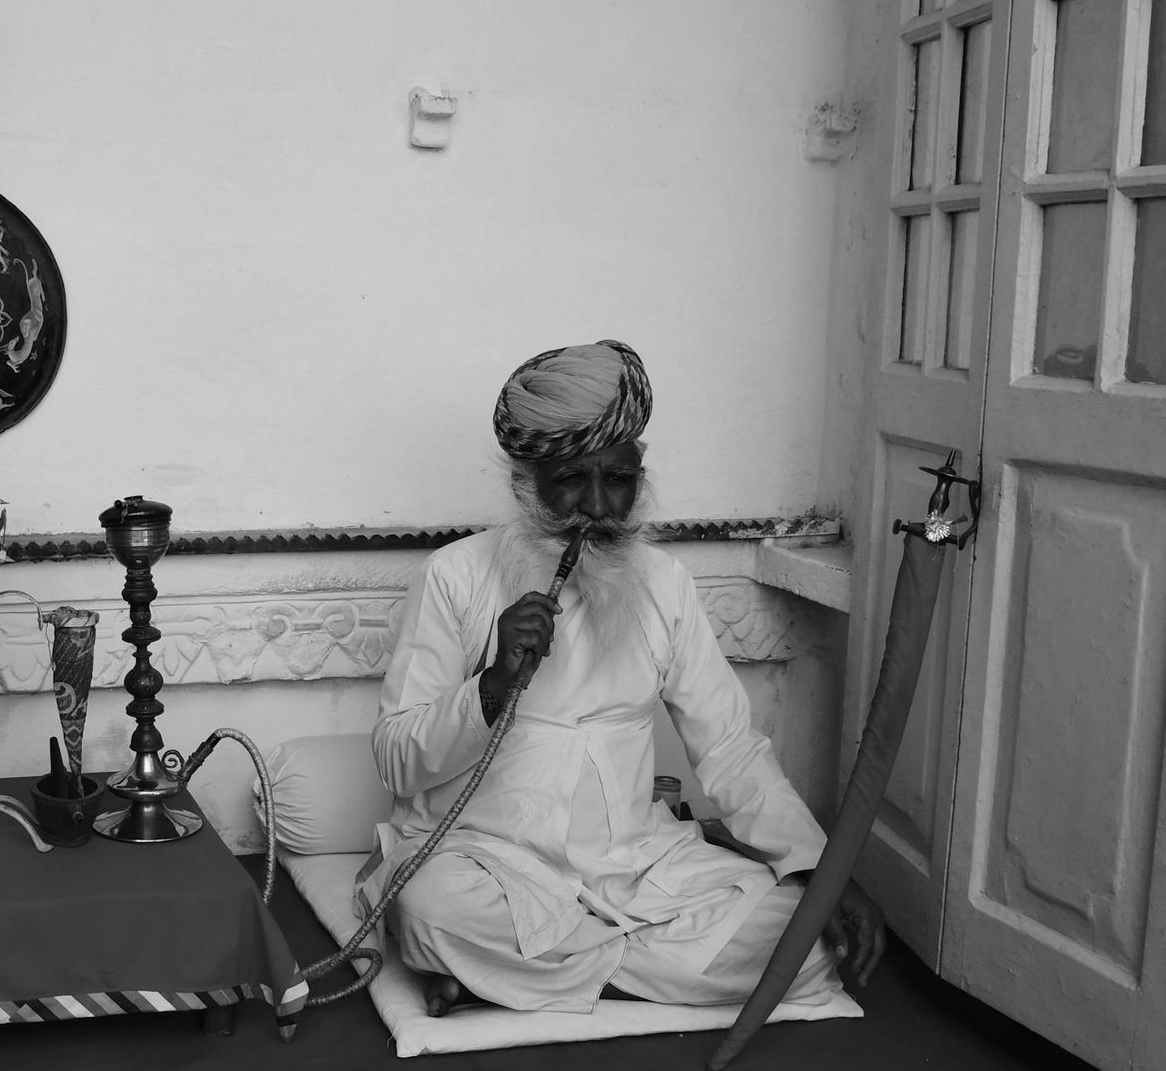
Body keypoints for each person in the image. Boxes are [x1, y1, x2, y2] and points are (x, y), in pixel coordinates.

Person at [357, 340, 884, 1018]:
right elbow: (399, 761)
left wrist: (819, 872)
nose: (599, 506)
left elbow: (729, 747)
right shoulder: (455, 577)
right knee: (431, 907)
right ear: (527, 481)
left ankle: (528, 975)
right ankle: (600, 966)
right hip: (490, 863)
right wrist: (490, 686)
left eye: (619, 478)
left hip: (635, 865)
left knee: (805, 944)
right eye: (573, 479)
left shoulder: (665, 585)